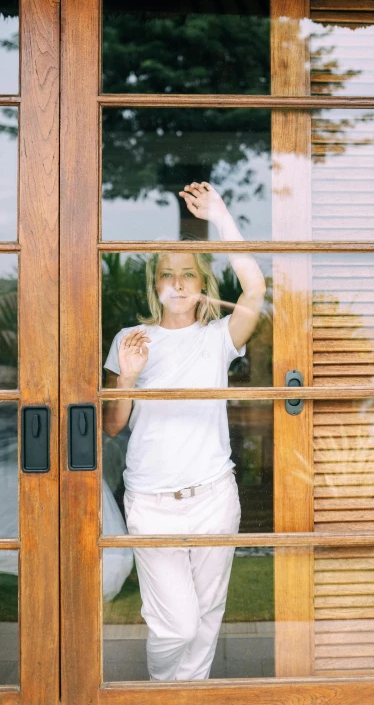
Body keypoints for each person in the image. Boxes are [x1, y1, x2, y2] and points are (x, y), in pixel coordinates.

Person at [103, 181, 266, 681]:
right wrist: (128, 376)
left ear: (202, 284)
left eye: (188, 275)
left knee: (205, 622)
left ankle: (186, 696)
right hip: (151, 502)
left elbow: (256, 290)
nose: (177, 283)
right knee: (174, 626)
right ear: (155, 284)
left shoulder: (218, 338)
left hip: (214, 498)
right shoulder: (131, 340)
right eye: (167, 275)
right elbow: (111, 425)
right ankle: (160, 690)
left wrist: (221, 218)